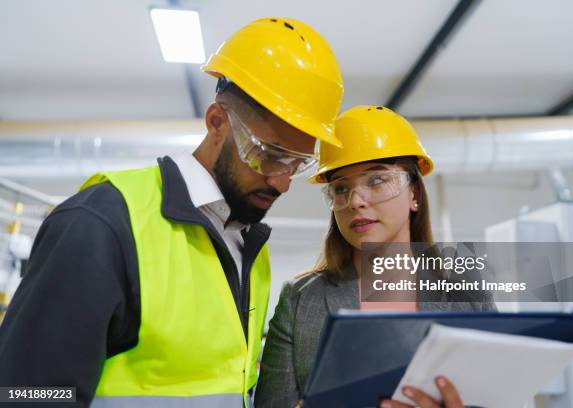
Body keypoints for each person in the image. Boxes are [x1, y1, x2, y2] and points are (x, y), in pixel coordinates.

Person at [0, 18, 343, 407]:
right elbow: (25, 392)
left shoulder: (250, 247)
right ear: (217, 122)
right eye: (269, 156)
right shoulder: (104, 223)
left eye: (296, 164)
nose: (282, 183)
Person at [255, 105, 495, 408]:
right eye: (341, 188)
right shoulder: (301, 299)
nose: (356, 201)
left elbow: (503, 395)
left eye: (376, 180)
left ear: (415, 196)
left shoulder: (466, 291)